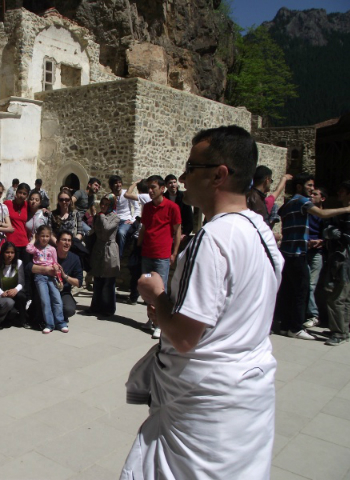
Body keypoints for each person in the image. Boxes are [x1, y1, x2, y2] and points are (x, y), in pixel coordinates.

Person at [121, 125, 284, 480]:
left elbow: (184, 337)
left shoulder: (212, 238)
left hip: (203, 410)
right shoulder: (262, 232)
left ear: (218, 175)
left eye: (190, 168)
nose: (182, 177)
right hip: (246, 399)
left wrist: (156, 295)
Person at [276, 173, 350, 340]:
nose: (312, 189)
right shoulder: (302, 202)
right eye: (309, 186)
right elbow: (322, 214)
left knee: (288, 290)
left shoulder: (288, 204)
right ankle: (296, 328)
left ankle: (285, 325)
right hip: (297, 252)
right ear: (299, 187)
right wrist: (347, 209)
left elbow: (280, 211)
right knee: (302, 291)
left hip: (286, 252)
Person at [137, 175, 182, 338]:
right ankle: (151, 318)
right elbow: (144, 228)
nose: (150, 190)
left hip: (162, 256)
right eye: (148, 187)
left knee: (160, 290)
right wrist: (138, 246)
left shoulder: (172, 207)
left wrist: (174, 253)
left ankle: (161, 323)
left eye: (153, 187)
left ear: (162, 189)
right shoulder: (148, 207)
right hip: (147, 254)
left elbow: (177, 231)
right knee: (148, 287)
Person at [322, 181, 350, 346]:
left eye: (342, 191)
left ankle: (338, 333)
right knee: (345, 298)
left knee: (336, 297)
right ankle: (343, 330)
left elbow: (346, 238)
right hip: (345, 260)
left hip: (344, 261)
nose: (339, 194)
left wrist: (331, 232)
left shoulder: (349, 215)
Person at [32, 231, 83, 321]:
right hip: (46, 288)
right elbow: (29, 267)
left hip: (63, 291)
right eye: (64, 240)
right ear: (57, 242)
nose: (67, 243)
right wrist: (46, 269)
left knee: (69, 310)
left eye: (69, 240)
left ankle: (57, 316)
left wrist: (64, 276)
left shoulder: (75, 258)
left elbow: (79, 283)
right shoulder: (47, 252)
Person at [27, 225, 67, 334]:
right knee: (45, 301)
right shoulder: (35, 249)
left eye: (47, 236)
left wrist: (56, 268)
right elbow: (28, 248)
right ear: (39, 236)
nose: (44, 238)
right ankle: (49, 324)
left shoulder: (52, 249)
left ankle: (61, 322)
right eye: (42, 236)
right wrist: (34, 238)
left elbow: (55, 262)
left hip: (52, 276)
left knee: (57, 299)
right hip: (40, 277)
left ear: (50, 237)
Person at [88, 194, 120, 317]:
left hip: (109, 250)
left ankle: (108, 308)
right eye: (102, 203)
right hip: (99, 248)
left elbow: (107, 228)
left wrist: (100, 216)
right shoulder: (98, 216)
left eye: (107, 204)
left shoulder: (115, 218)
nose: (103, 206)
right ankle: (95, 306)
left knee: (108, 281)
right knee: (98, 280)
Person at [0, 242, 27, 327]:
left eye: (12, 252)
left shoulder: (19, 263)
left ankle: (23, 320)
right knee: (12, 314)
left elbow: (21, 282)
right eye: (7, 252)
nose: (10, 255)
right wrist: (2, 293)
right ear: (3, 253)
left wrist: (15, 290)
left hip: (15, 293)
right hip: (4, 295)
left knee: (21, 296)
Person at [305, 187, 326, 327]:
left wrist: (320, 242)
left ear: (322, 198)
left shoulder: (325, 215)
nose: (312, 196)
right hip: (305, 250)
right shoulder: (306, 212)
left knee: (311, 285)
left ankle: (314, 315)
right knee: (305, 284)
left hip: (317, 253)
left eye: (315, 194)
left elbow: (328, 235)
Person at [4, 182, 31, 263]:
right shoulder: (7, 204)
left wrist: (43, 209)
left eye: (24, 194)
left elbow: (36, 208)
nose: (21, 195)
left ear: (27, 196)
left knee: (25, 269)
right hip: (11, 244)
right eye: (20, 192)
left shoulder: (27, 205)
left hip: (24, 243)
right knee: (12, 268)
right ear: (16, 192)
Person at [109, 175, 136, 256]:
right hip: (114, 219)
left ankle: (119, 258)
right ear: (111, 185)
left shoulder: (127, 194)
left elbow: (137, 208)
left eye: (120, 182)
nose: (118, 185)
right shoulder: (110, 196)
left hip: (125, 219)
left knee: (121, 233)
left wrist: (133, 219)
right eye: (116, 183)